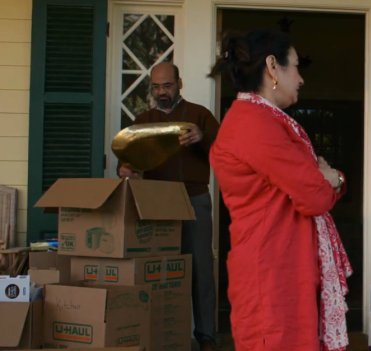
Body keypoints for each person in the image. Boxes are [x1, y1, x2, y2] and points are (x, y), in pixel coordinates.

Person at [208, 29, 351, 351]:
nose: (301, 79)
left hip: (281, 265)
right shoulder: (254, 123)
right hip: (272, 273)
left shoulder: (262, 119)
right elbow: (315, 196)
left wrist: (330, 178)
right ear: (273, 67)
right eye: (296, 67)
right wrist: (333, 178)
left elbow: (315, 186)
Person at [117, 62, 220, 351]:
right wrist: (123, 169)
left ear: (180, 83)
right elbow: (126, 158)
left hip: (194, 198)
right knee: (157, 269)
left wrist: (202, 138)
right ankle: (163, 335)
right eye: (157, 86)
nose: (162, 92)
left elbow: (225, 150)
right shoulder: (143, 120)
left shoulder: (200, 115)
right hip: (156, 202)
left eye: (168, 85)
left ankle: (206, 337)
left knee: (200, 267)